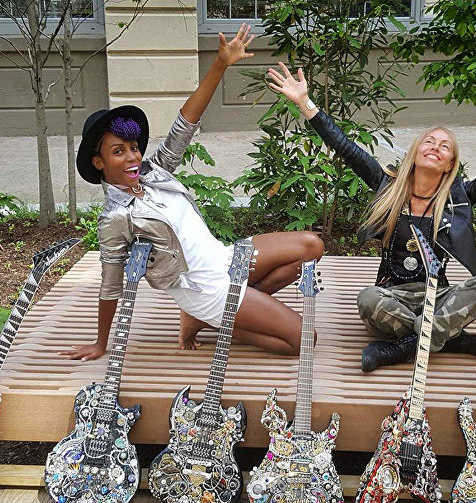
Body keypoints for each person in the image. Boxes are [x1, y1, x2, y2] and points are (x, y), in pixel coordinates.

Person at [266, 61, 476, 371]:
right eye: (429, 141)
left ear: (449, 165)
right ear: (416, 153)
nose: (435, 147)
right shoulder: (387, 187)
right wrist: (305, 103)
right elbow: (345, 147)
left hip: (438, 295)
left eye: (444, 146)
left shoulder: (459, 199)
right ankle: (449, 338)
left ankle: (404, 348)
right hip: (392, 296)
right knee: (367, 300)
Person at [64, 26, 323, 361]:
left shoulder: (154, 172)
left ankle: (222, 314)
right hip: (205, 289)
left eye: (133, 147)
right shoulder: (116, 218)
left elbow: (186, 122)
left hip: (226, 258)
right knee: (305, 339)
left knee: (312, 247)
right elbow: (111, 284)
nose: (131, 157)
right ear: (98, 162)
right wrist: (101, 343)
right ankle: (213, 318)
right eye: (118, 152)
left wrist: (220, 64)